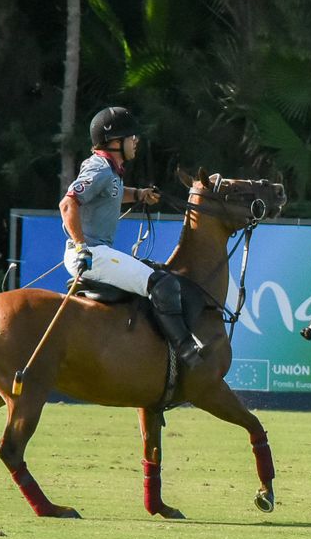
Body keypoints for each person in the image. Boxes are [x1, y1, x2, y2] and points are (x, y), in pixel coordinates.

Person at [61, 106, 205, 366]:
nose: (136, 141)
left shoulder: (109, 171)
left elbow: (112, 192)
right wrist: (82, 246)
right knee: (162, 284)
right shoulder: (99, 170)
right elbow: (68, 204)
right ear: (115, 142)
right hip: (92, 253)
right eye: (131, 137)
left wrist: (138, 194)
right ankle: (186, 353)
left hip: (96, 252)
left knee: (156, 274)